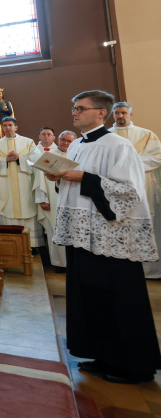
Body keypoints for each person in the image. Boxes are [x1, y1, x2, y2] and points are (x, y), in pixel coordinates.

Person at [51, 90, 160, 384]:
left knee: (118, 298)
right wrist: (59, 176)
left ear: (101, 113)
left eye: (81, 108)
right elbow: (73, 183)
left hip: (110, 237)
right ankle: (101, 354)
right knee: (90, 297)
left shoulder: (119, 146)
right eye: (74, 107)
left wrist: (83, 178)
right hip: (82, 236)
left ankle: (134, 366)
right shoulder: (74, 147)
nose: (74, 112)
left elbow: (129, 192)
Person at [109, 101, 161, 279]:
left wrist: (130, 164)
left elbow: (157, 158)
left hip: (142, 186)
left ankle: (149, 271)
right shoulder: (106, 135)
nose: (120, 116)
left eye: (123, 112)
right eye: (117, 113)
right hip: (113, 189)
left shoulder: (146, 134)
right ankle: (119, 269)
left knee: (145, 226)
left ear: (131, 114)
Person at [0, 117, 42, 247]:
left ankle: (32, 245)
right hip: (5, 184)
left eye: (10, 125)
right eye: (5, 125)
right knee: (7, 209)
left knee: (27, 206)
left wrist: (20, 158)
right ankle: (10, 245)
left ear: (16, 127)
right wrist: (5, 160)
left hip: (25, 184)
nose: (8, 128)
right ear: (2, 127)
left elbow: (37, 159)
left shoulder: (28, 142)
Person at [30, 127, 67, 271]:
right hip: (53, 199)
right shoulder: (49, 156)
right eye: (63, 140)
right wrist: (43, 199)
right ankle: (58, 262)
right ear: (58, 140)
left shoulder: (76, 154)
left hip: (73, 200)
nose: (66, 143)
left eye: (69, 140)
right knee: (54, 228)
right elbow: (40, 179)